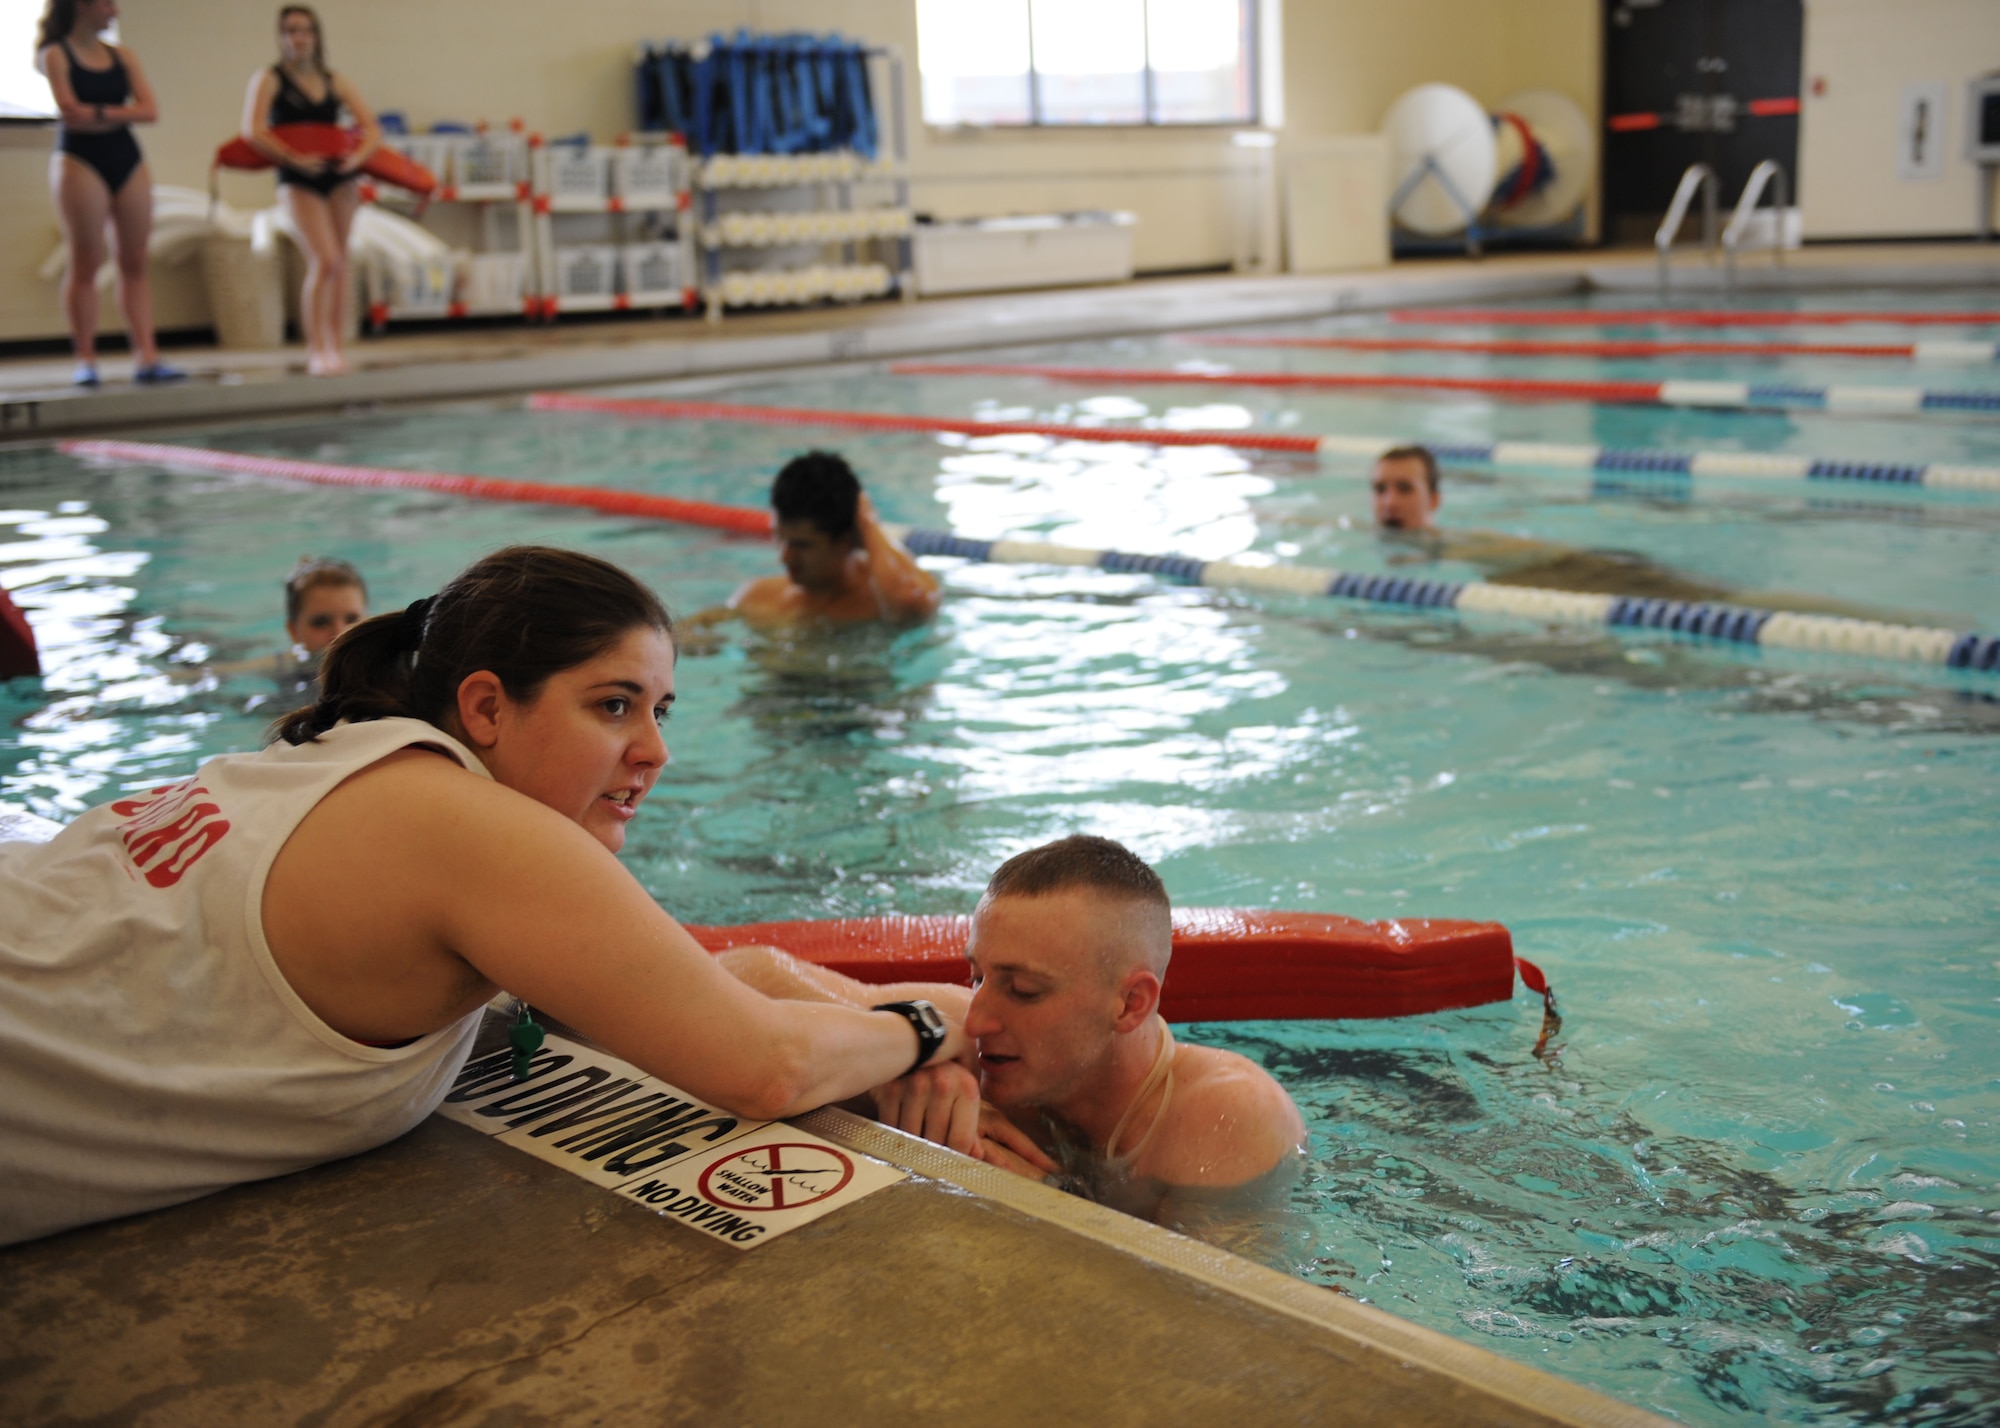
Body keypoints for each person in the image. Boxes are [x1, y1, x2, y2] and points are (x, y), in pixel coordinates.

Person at [0, 545, 966, 1246]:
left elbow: (698, 990)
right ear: (487, 707)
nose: (655, 752)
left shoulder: (342, 755)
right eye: (613, 704)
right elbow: (765, 1069)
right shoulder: (476, 829)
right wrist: (940, 1021)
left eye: (659, 710)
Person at [721, 835, 1307, 1229]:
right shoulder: (965, 1036)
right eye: (977, 976)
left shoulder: (1221, 1115)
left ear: (1130, 1004)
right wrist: (911, 1055)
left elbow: (1210, 1325)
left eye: (1024, 991)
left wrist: (1056, 1202)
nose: (978, 1019)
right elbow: (749, 973)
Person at [1370, 444, 1951, 622]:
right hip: (1568, 581)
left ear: (1435, 499)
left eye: (1404, 489)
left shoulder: (1450, 541)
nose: (1389, 502)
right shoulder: (1409, 546)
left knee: (1732, 605)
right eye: (1379, 490)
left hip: (1586, 574)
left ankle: (1919, 623)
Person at [36, 0, 182, 388]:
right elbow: (70, 113)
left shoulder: (123, 56)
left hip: (126, 158)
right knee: (86, 261)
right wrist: (117, 113)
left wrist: (98, 114)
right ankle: (86, 358)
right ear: (84, 5)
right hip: (79, 162)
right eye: (108, 4)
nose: (115, 11)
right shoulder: (55, 54)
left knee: (134, 261)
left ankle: (146, 355)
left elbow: (150, 111)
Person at [241, 5, 378, 377]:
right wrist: (294, 159)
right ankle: (317, 348)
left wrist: (356, 160)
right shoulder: (270, 79)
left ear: (316, 37)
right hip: (297, 177)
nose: (297, 39)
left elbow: (371, 130)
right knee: (325, 259)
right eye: (290, 31)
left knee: (341, 263)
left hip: (338, 177)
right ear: (281, 37)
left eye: (304, 31)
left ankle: (336, 344)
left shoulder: (334, 81)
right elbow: (253, 131)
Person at [684, 451, 940, 645]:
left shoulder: (881, 603)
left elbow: (910, 601)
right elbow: (682, 631)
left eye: (802, 545)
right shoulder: (759, 595)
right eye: (780, 539)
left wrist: (868, 522)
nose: (785, 557)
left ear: (847, 540)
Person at [283, 554, 367, 658]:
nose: (339, 635)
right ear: (294, 632)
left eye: (353, 620)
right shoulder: (274, 671)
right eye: (321, 622)